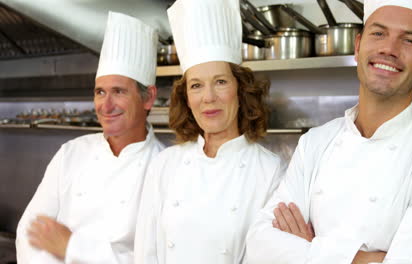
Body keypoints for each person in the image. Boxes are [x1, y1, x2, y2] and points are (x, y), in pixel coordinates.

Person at [246, 0, 412, 263]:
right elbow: (260, 245)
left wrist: (308, 248)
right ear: (358, 46)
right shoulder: (315, 143)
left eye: (409, 40)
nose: (389, 48)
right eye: (378, 33)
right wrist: (362, 259)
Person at [133, 0, 283, 263]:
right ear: (186, 97)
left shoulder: (270, 171)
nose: (208, 98)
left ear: (241, 89)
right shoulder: (165, 165)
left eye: (221, 82)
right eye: (196, 86)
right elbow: (145, 255)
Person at [16, 11, 164, 263]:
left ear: (148, 97)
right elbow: (30, 232)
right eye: (100, 92)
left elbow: (153, 258)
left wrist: (72, 247)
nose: (106, 106)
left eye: (118, 91)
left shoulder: (165, 166)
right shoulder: (71, 153)